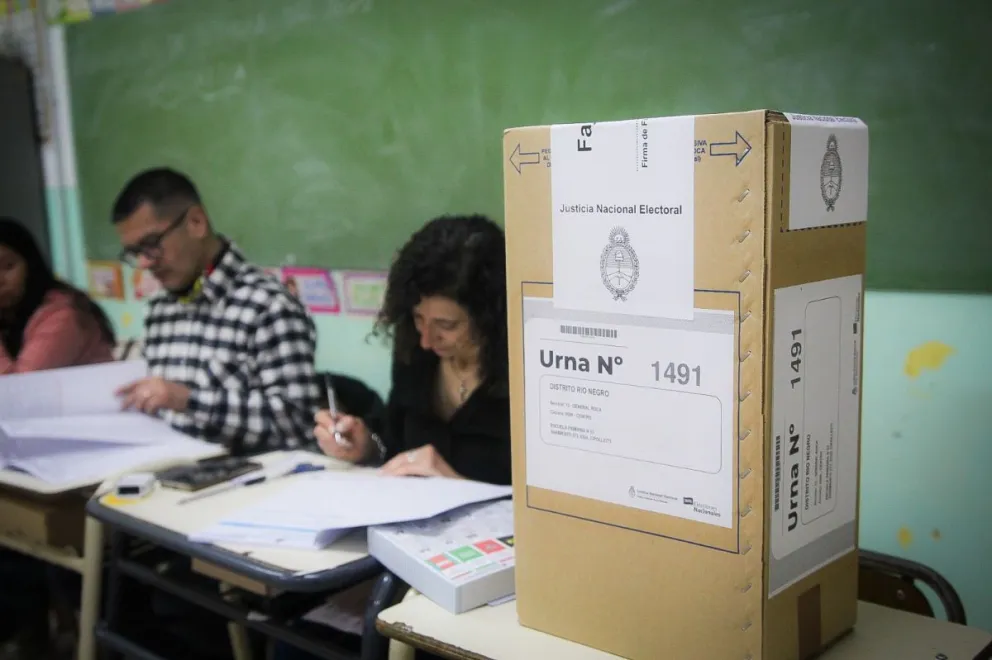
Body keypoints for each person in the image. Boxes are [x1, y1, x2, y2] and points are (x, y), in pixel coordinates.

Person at [109, 167, 322, 454]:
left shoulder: (268, 306)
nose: (145, 263)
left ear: (196, 222)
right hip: (168, 474)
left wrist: (188, 400)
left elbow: (297, 424)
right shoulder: (160, 309)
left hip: (249, 486)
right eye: (134, 253)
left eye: (151, 245)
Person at [315, 214, 510, 484]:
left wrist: (454, 483)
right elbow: (395, 442)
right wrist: (367, 445)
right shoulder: (414, 347)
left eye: (447, 325)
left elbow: (551, 506)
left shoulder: (527, 375)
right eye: (419, 318)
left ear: (491, 319)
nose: (426, 341)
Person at [0, 217, 116, 658]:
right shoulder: (13, 315)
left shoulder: (61, 315)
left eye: (6, 265)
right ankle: (32, 629)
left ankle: (34, 634)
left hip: (92, 463)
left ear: (30, 263)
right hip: (43, 455)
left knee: (17, 528)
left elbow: (16, 394)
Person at [0, 217, 115, 374]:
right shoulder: (8, 315)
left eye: (7, 266)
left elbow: (19, 388)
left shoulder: (63, 315)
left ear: (31, 266)